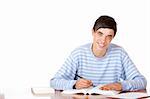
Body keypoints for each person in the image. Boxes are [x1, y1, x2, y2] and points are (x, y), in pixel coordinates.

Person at [50, 15, 147, 91]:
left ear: (113, 37)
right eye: (100, 34)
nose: (103, 40)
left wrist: (121, 85)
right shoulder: (78, 53)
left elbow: (141, 81)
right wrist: (74, 84)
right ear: (93, 32)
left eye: (108, 36)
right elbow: (54, 82)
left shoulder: (120, 53)